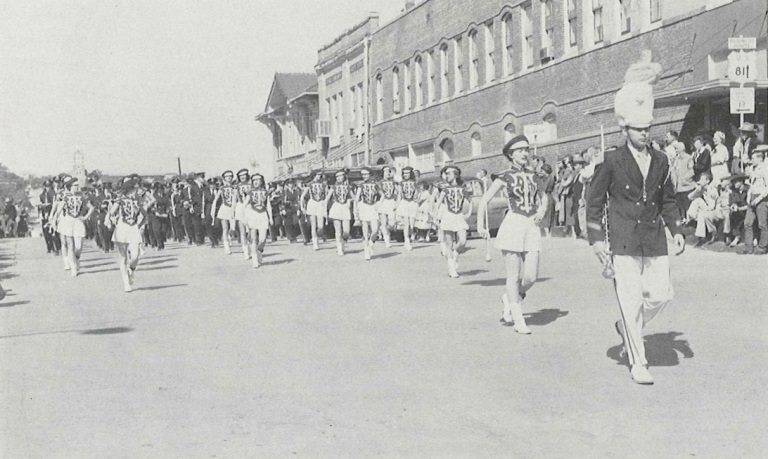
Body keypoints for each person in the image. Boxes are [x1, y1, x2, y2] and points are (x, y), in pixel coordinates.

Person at [587, 52, 685, 385]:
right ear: (626, 128)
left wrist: (677, 230)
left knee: (662, 294)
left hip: (654, 238)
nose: (646, 134)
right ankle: (638, 361)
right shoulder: (612, 161)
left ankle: (628, 325)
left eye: (648, 129)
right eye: (639, 129)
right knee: (629, 301)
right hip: (624, 241)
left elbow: (668, 199)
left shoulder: (660, 159)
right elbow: (594, 201)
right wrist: (597, 240)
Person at [478, 135, 547, 334]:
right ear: (511, 155)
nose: (524, 153)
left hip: (531, 225)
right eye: (519, 150)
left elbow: (544, 198)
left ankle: (511, 298)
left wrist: (542, 211)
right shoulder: (504, 176)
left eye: (526, 149)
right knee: (513, 274)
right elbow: (484, 200)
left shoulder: (535, 175)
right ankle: (518, 319)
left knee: (531, 277)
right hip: (514, 224)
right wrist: (482, 225)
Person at [107, 177, 146, 292]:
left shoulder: (138, 201)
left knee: (135, 256)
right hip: (122, 228)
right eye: (135, 189)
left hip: (133, 228)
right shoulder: (120, 200)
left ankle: (131, 270)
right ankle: (126, 283)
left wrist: (139, 225)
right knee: (123, 257)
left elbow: (145, 215)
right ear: (130, 190)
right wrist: (112, 219)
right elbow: (111, 212)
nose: (137, 192)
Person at [51, 177, 94, 276]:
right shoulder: (65, 196)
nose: (76, 187)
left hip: (78, 221)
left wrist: (86, 217)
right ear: (70, 186)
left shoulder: (81, 196)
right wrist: (54, 219)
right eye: (75, 186)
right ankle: (73, 267)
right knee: (70, 245)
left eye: (77, 185)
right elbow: (59, 208)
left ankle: (77, 259)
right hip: (68, 221)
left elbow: (91, 208)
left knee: (78, 246)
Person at [436, 165, 472, 278]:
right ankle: (451, 268)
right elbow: (438, 204)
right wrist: (436, 216)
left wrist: (469, 213)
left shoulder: (463, 189)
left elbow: (470, 201)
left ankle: (455, 253)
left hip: (459, 216)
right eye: (446, 174)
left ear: (456, 174)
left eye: (448, 173)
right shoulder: (445, 190)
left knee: (463, 241)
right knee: (449, 243)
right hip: (448, 216)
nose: (446, 175)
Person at [740, 145, 768, 255]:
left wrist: (758, 199)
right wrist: (748, 197)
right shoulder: (753, 169)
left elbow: (767, 188)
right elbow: (751, 184)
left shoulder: (765, 168)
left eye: (754, 158)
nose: (752, 160)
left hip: (762, 199)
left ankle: (762, 247)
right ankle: (748, 247)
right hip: (752, 197)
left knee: (762, 224)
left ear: (760, 158)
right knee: (747, 223)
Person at [244, 173, 272, 268]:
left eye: (258, 180)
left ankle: (259, 251)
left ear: (261, 181)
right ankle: (255, 260)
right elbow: (244, 205)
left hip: (263, 215)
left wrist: (270, 218)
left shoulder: (265, 192)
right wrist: (245, 217)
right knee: (253, 239)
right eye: (254, 180)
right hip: (253, 215)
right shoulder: (250, 192)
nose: (256, 182)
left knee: (263, 239)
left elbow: (268, 206)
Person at [355, 167, 381, 260]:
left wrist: (379, 204)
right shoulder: (360, 185)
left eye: (366, 174)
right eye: (363, 174)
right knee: (365, 231)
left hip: (373, 207)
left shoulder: (375, 185)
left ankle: (370, 244)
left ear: (370, 174)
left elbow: (382, 195)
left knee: (375, 230)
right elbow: (357, 198)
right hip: (364, 207)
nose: (364, 176)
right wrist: (356, 209)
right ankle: (366, 250)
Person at [326, 169, 353, 255]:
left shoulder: (348, 187)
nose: (339, 178)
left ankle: (343, 243)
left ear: (344, 176)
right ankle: (339, 248)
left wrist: (350, 201)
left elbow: (353, 197)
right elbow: (327, 198)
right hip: (336, 207)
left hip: (345, 208)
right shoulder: (333, 187)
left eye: (340, 176)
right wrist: (323, 208)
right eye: (337, 176)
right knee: (338, 231)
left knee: (346, 231)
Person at [301, 172, 328, 250]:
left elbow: (325, 196)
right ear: (314, 175)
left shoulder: (323, 185)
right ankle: (315, 243)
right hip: (312, 204)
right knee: (313, 225)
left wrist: (325, 205)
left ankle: (319, 235)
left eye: (320, 175)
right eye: (317, 175)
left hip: (320, 205)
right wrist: (302, 207)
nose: (319, 176)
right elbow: (302, 196)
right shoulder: (309, 184)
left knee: (320, 226)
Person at [212, 170, 237, 254]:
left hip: (233, 208)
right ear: (224, 178)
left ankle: (229, 236)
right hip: (224, 209)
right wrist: (213, 210)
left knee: (233, 228)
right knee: (225, 228)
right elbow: (216, 199)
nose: (229, 177)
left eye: (230, 176)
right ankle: (226, 247)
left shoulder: (235, 188)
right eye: (227, 176)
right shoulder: (221, 188)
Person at [396, 166, 419, 251]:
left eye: (407, 173)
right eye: (404, 173)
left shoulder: (415, 182)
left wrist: (417, 200)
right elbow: (399, 195)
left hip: (412, 203)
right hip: (404, 203)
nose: (406, 175)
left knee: (411, 224)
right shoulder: (401, 183)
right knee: (406, 224)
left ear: (411, 174)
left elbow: (416, 194)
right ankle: (407, 240)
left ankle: (410, 234)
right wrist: (397, 205)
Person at [670, 141, 695, 216]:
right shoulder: (676, 159)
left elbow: (691, 171)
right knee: (680, 205)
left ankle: (688, 219)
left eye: (677, 149)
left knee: (687, 204)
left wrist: (684, 179)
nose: (676, 150)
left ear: (682, 149)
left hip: (687, 186)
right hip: (678, 187)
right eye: (675, 149)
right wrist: (674, 182)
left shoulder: (689, 158)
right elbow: (673, 170)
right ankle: (682, 218)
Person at [233, 169, 252, 259]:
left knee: (251, 230)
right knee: (242, 231)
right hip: (240, 208)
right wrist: (232, 211)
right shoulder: (236, 187)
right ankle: (245, 251)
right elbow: (234, 200)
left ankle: (251, 247)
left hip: (250, 208)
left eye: (244, 175)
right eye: (241, 176)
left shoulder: (251, 185)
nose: (243, 177)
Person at [377, 166, 398, 248]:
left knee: (392, 223)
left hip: (391, 202)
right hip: (383, 202)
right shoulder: (379, 183)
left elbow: (397, 192)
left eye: (389, 171)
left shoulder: (394, 182)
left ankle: (388, 232)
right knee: (383, 223)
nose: (388, 173)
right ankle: (387, 240)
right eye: (386, 171)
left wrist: (397, 201)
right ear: (382, 173)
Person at [38, 180, 60, 254]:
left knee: (54, 231)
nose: (48, 188)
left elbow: (55, 204)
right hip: (45, 215)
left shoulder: (54, 193)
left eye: (49, 186)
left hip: (52, 214)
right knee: (46, 232)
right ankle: (49, 247)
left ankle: (57, 248)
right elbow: (40, 205)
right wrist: (40, 213)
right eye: (46, 186)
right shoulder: (42, 195)